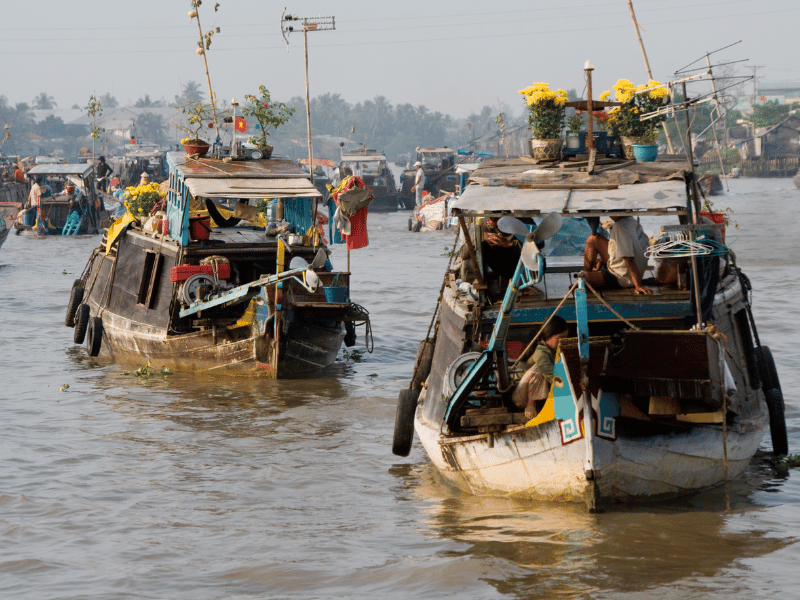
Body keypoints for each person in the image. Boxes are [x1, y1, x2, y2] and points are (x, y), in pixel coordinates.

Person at [512, 316, 569, 419]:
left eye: (565, 338)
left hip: (533, 393)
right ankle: (530, 405)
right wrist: (568, 388)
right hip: (520, 396)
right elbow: (550, 374)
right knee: (538, 369)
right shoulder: (540, 351)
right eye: (559, 338)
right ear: (548, 336)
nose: (562, 342)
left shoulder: (554, 351)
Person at [583, 216, 652, 295]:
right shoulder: (631, 221)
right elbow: (632, 250)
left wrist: (638, 285)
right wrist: (601, 260)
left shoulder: (620, 227)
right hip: (626, 269)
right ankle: (588, 273)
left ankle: (587, 274)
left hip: (620, 277)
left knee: (581, 280)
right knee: (593, 239)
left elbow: (629, 259)